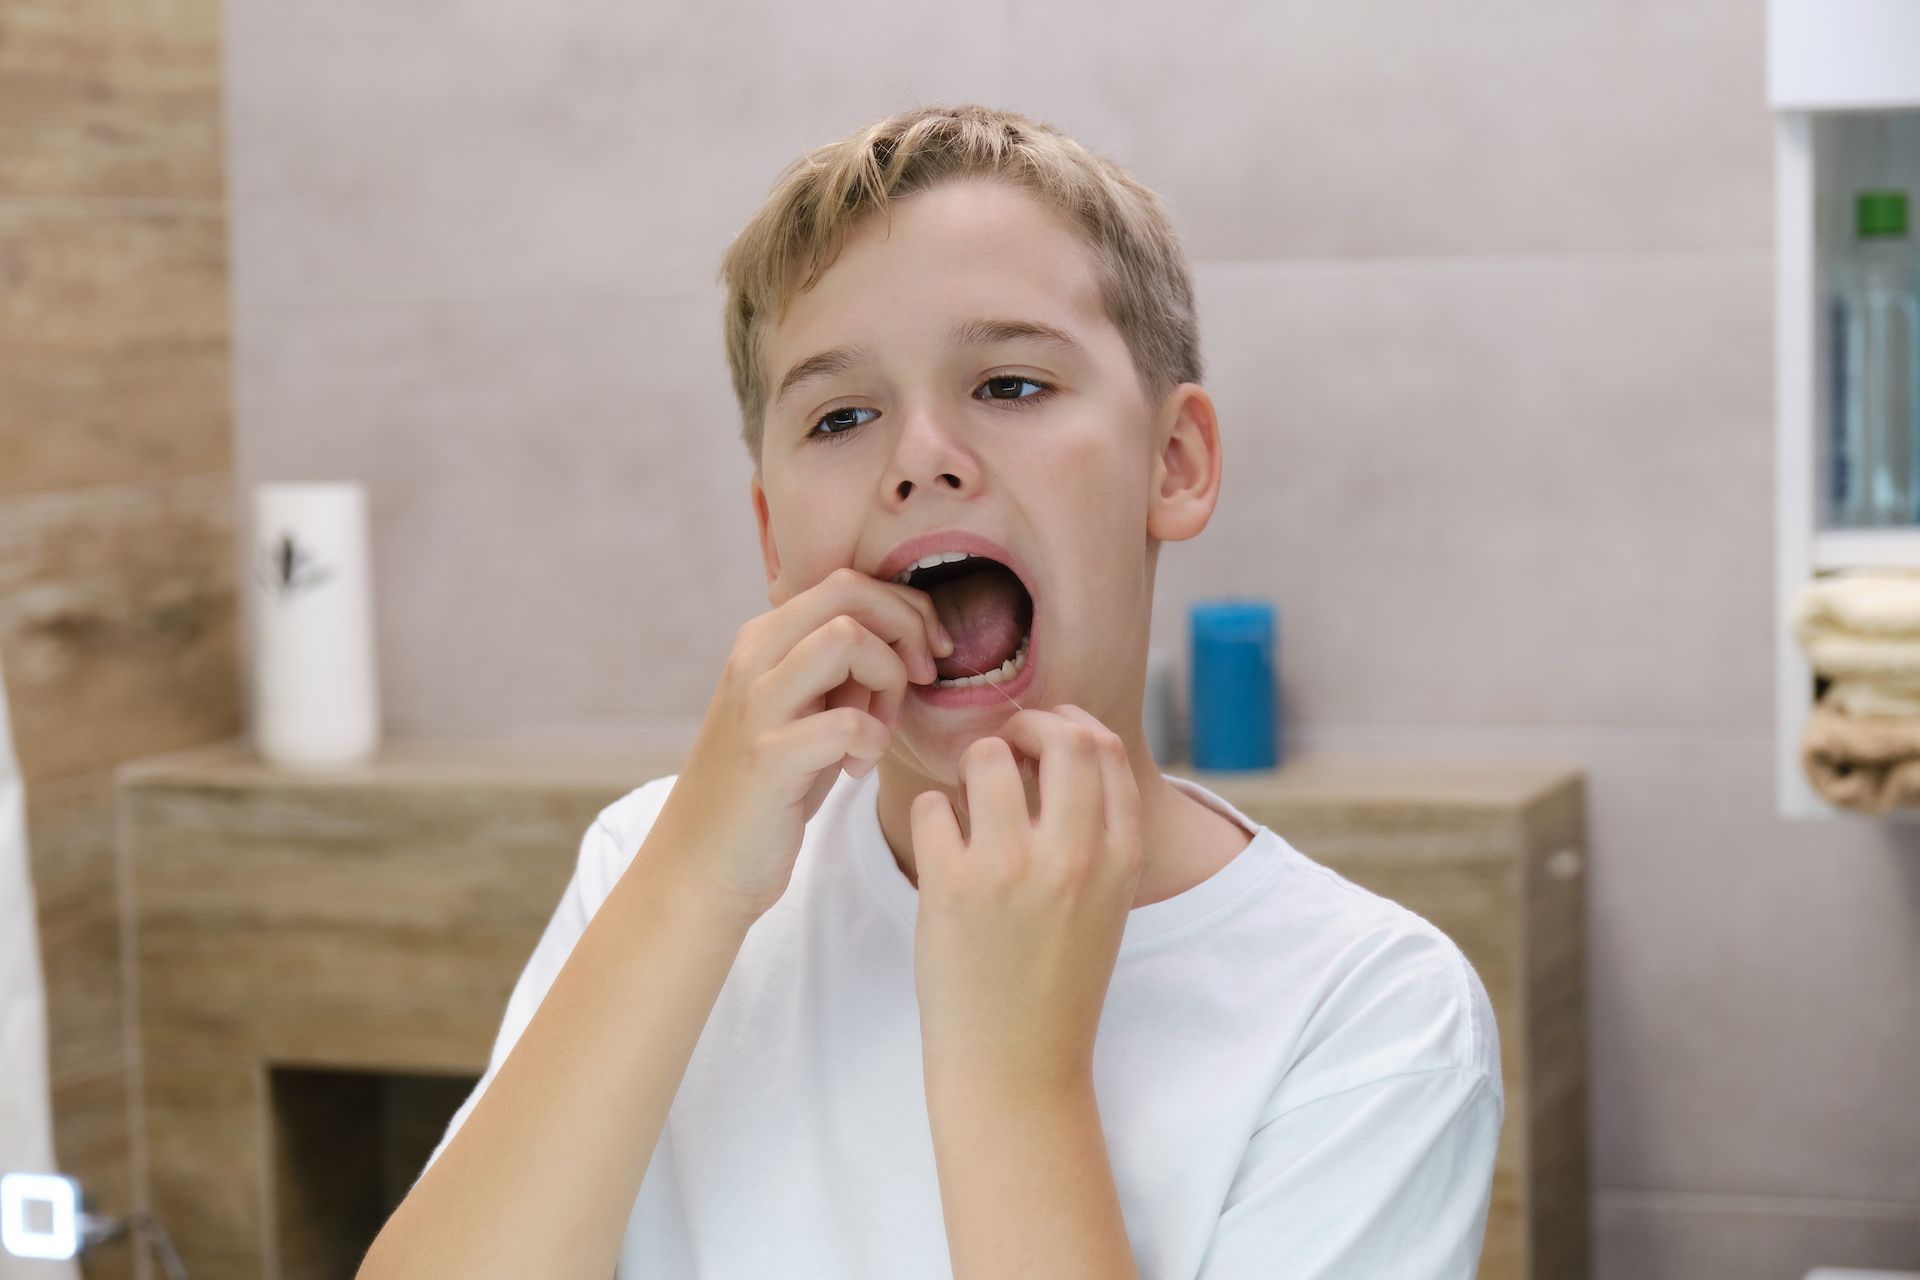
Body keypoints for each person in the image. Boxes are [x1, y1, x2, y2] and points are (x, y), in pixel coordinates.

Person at [358, 103, 1503, 1280]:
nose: (920, 454)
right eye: (840, 415)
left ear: (1175, 461)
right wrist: (688, 887)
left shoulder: (1370, 1017)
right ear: (772, 533)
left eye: (1008, 383)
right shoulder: (649, 867)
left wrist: (1016, 1080)